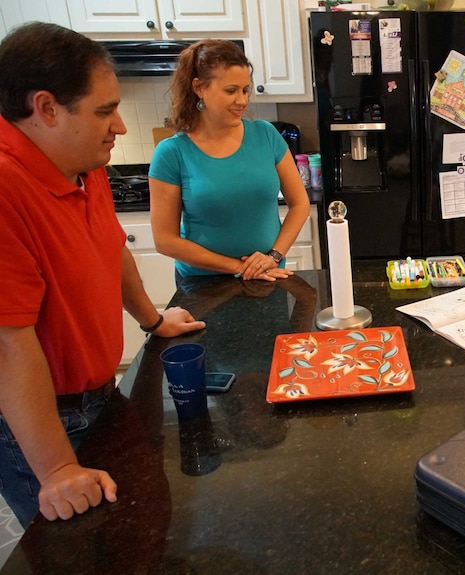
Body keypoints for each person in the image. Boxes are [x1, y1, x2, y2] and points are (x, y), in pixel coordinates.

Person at [0, 22, 206, 526]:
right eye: (104, 110)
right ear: (46, 108)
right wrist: (57, 469)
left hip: (99, 397)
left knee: (140, 527)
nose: (119, 126)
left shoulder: (82, 161)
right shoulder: (5, 187)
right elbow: (7, 342)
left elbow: (110, 249)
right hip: (44, 421)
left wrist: (153, 320)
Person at [149, 40, 310, 283]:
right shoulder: (172, 152)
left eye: (245, 90)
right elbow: (165, 240)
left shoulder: (266, 135)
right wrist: (239, 267)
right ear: (199, 88)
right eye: (231, 90)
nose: (242, 101)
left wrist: (274, 257)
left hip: (269, 273)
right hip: (203, 284)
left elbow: (300, 204)